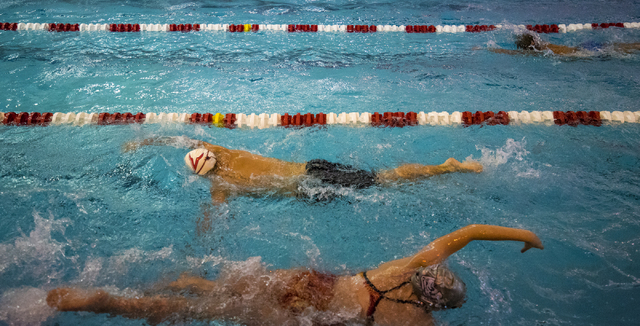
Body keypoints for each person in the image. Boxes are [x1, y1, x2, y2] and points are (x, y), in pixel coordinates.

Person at [46, 224, 543, 325]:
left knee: (215, 291)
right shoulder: (416, 323)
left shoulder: (403, 268)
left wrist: (523, 232)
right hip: (301, 313)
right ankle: (101, 303)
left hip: (306, 281)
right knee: (193, 314)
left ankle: (172, 279)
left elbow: (470, 231)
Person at [122, 138, 483, 203]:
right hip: (312, 165)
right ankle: (441, 168)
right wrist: (146, 141)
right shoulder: (223, 150)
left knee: (386, 183)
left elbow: (213, 218)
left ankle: (444, 168)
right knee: (382, 177)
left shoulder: (222, 186)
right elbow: (181, 136)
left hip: (309, 186)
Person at [489, 33, 640, 56]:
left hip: (583, 52)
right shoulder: (543, 45)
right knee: (625, 46)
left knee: (623, 49)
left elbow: (515, 53)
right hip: (584, 46)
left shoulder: (540, 51)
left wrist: (490, 49)